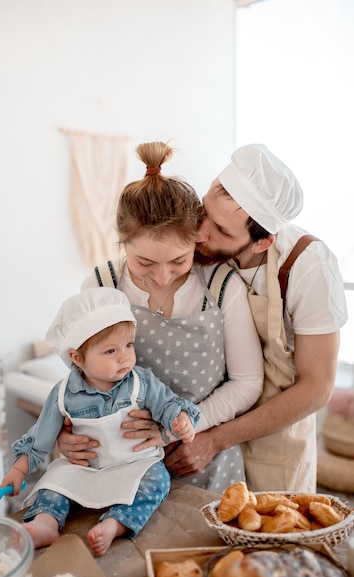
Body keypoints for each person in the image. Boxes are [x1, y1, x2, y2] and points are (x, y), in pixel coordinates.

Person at [128, 143, 347, 493]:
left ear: (262, 243)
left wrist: (215, 440)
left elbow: (317, 389)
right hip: (199, 430)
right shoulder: (198, 249)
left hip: (272, 448)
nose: (199, 235)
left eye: (222, 232)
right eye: (204, 215)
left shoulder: (308, 267)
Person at [56, 141, 264, 493]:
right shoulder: (100, 285)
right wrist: (65, 433)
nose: (163, 277)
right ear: (122, 244)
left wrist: (180, 428)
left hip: (202, 461)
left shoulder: (221, 287)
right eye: (144, 263)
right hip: (118, 462)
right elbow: (83, 380)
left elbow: (247, 383)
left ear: (197, 239)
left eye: (179, 261)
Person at [1, 288, 200, 556]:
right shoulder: (62, 394)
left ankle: (114, 523)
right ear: (77, 358)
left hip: (134, 464)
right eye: (110, 351)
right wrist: (18, 471)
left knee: (157, 481)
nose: (124, 357)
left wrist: (180, 419)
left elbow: (168, 404)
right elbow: (40, 438)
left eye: (129, 345)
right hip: (85, 468)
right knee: (52, 483)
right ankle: (45, 523)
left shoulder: (141, 381)